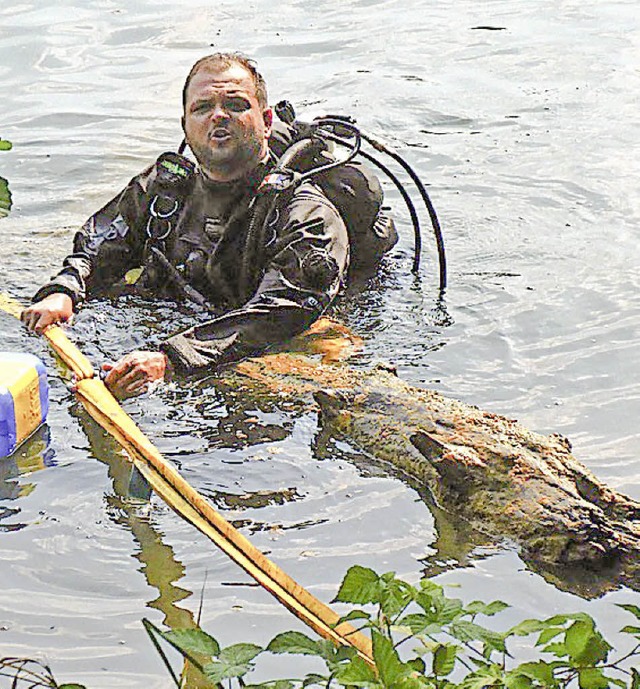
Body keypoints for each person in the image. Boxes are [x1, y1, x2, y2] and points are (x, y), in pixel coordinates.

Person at [21, 53, 396, 398]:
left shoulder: (306, 213)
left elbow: (284, 310)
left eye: (235, 105)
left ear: (266, 122)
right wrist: (65, 290)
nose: (218, 116)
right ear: (185, 126)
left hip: (286, 329)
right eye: (202, 108)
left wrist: (171, 360)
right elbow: (102, 241)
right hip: (196, 319)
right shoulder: (164, 187)